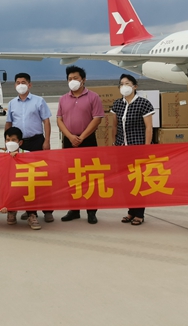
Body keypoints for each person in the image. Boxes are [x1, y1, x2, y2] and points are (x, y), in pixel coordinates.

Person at [57, 65, 104, 224]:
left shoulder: (93, 97)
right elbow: (59, 120)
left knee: (90, 175)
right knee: (72, 176)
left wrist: (82, 137)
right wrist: (70, 136)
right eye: (70, 79)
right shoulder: (63, 99)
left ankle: (91, 211)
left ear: (83, 80)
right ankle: (74, 209)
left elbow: (97, 118)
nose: (72, 81)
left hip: (87, 140)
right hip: (69, 141)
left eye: (75, 78)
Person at [5, 72, 53, 223]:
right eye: (18, 82)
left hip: (36, 141)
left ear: (29, 85)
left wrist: (47, 141)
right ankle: (29, 210)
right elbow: (8, 123)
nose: (21, 85)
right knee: (22, 177)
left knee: (40, 176)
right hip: (19, 144)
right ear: (14, 85)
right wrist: (8, 144)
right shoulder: (12, 103)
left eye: (23, 82)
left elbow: (46, 121)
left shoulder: (39, 101)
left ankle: (47, 210)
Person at [111, 74, 155, 226]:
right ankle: (131, 211)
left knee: (139, 181)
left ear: (135, 86)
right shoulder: (118, 104)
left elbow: (149, 127)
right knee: (126, 181)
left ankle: (139, 214)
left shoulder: (143, 103)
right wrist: (114, 143)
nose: (124, 86)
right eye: (122, 83)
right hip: (122, 149)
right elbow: (114, 125)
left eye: (127, 83)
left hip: (137, 148)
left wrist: (147, 147)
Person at [1, 126, 41, 230]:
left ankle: (31, 214)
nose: (10, 142)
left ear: (20, 142)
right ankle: (11, 211)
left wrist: (19, 157)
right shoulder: (1, 156)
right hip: (10, 185)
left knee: (32, 187)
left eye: (13, 140)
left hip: (25, 183)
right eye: (8, 140)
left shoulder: (27, 154)